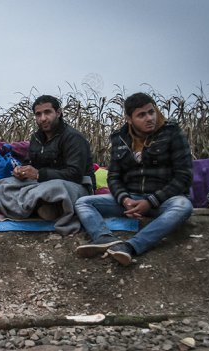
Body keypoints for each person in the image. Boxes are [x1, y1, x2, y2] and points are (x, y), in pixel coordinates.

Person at [74, 92, 193, 266]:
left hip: (164, 200)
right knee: (84, 202)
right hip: (131, 199)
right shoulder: (120, 139)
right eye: (141, 115)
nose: (149, 118)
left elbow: (184, 176)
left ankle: (130, 246)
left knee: (183, 206)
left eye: (151, 112)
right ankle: (104, 238)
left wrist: (151, 201)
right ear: (129, 118)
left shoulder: (172, 133)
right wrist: (124, 199)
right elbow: (114, 176)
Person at [13, 95, 95, 220]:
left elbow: (75, 174)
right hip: (41, 185)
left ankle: (36, 206)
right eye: (38, 114)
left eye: (47, 112)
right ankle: (43, 206)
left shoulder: (73, 138)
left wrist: (39, 174)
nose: (43, 118)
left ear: (58, 113)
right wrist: (21, 170)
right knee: (5, 183)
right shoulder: (36, 138)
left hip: (76, 186)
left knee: (55, 188)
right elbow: (28, 162)